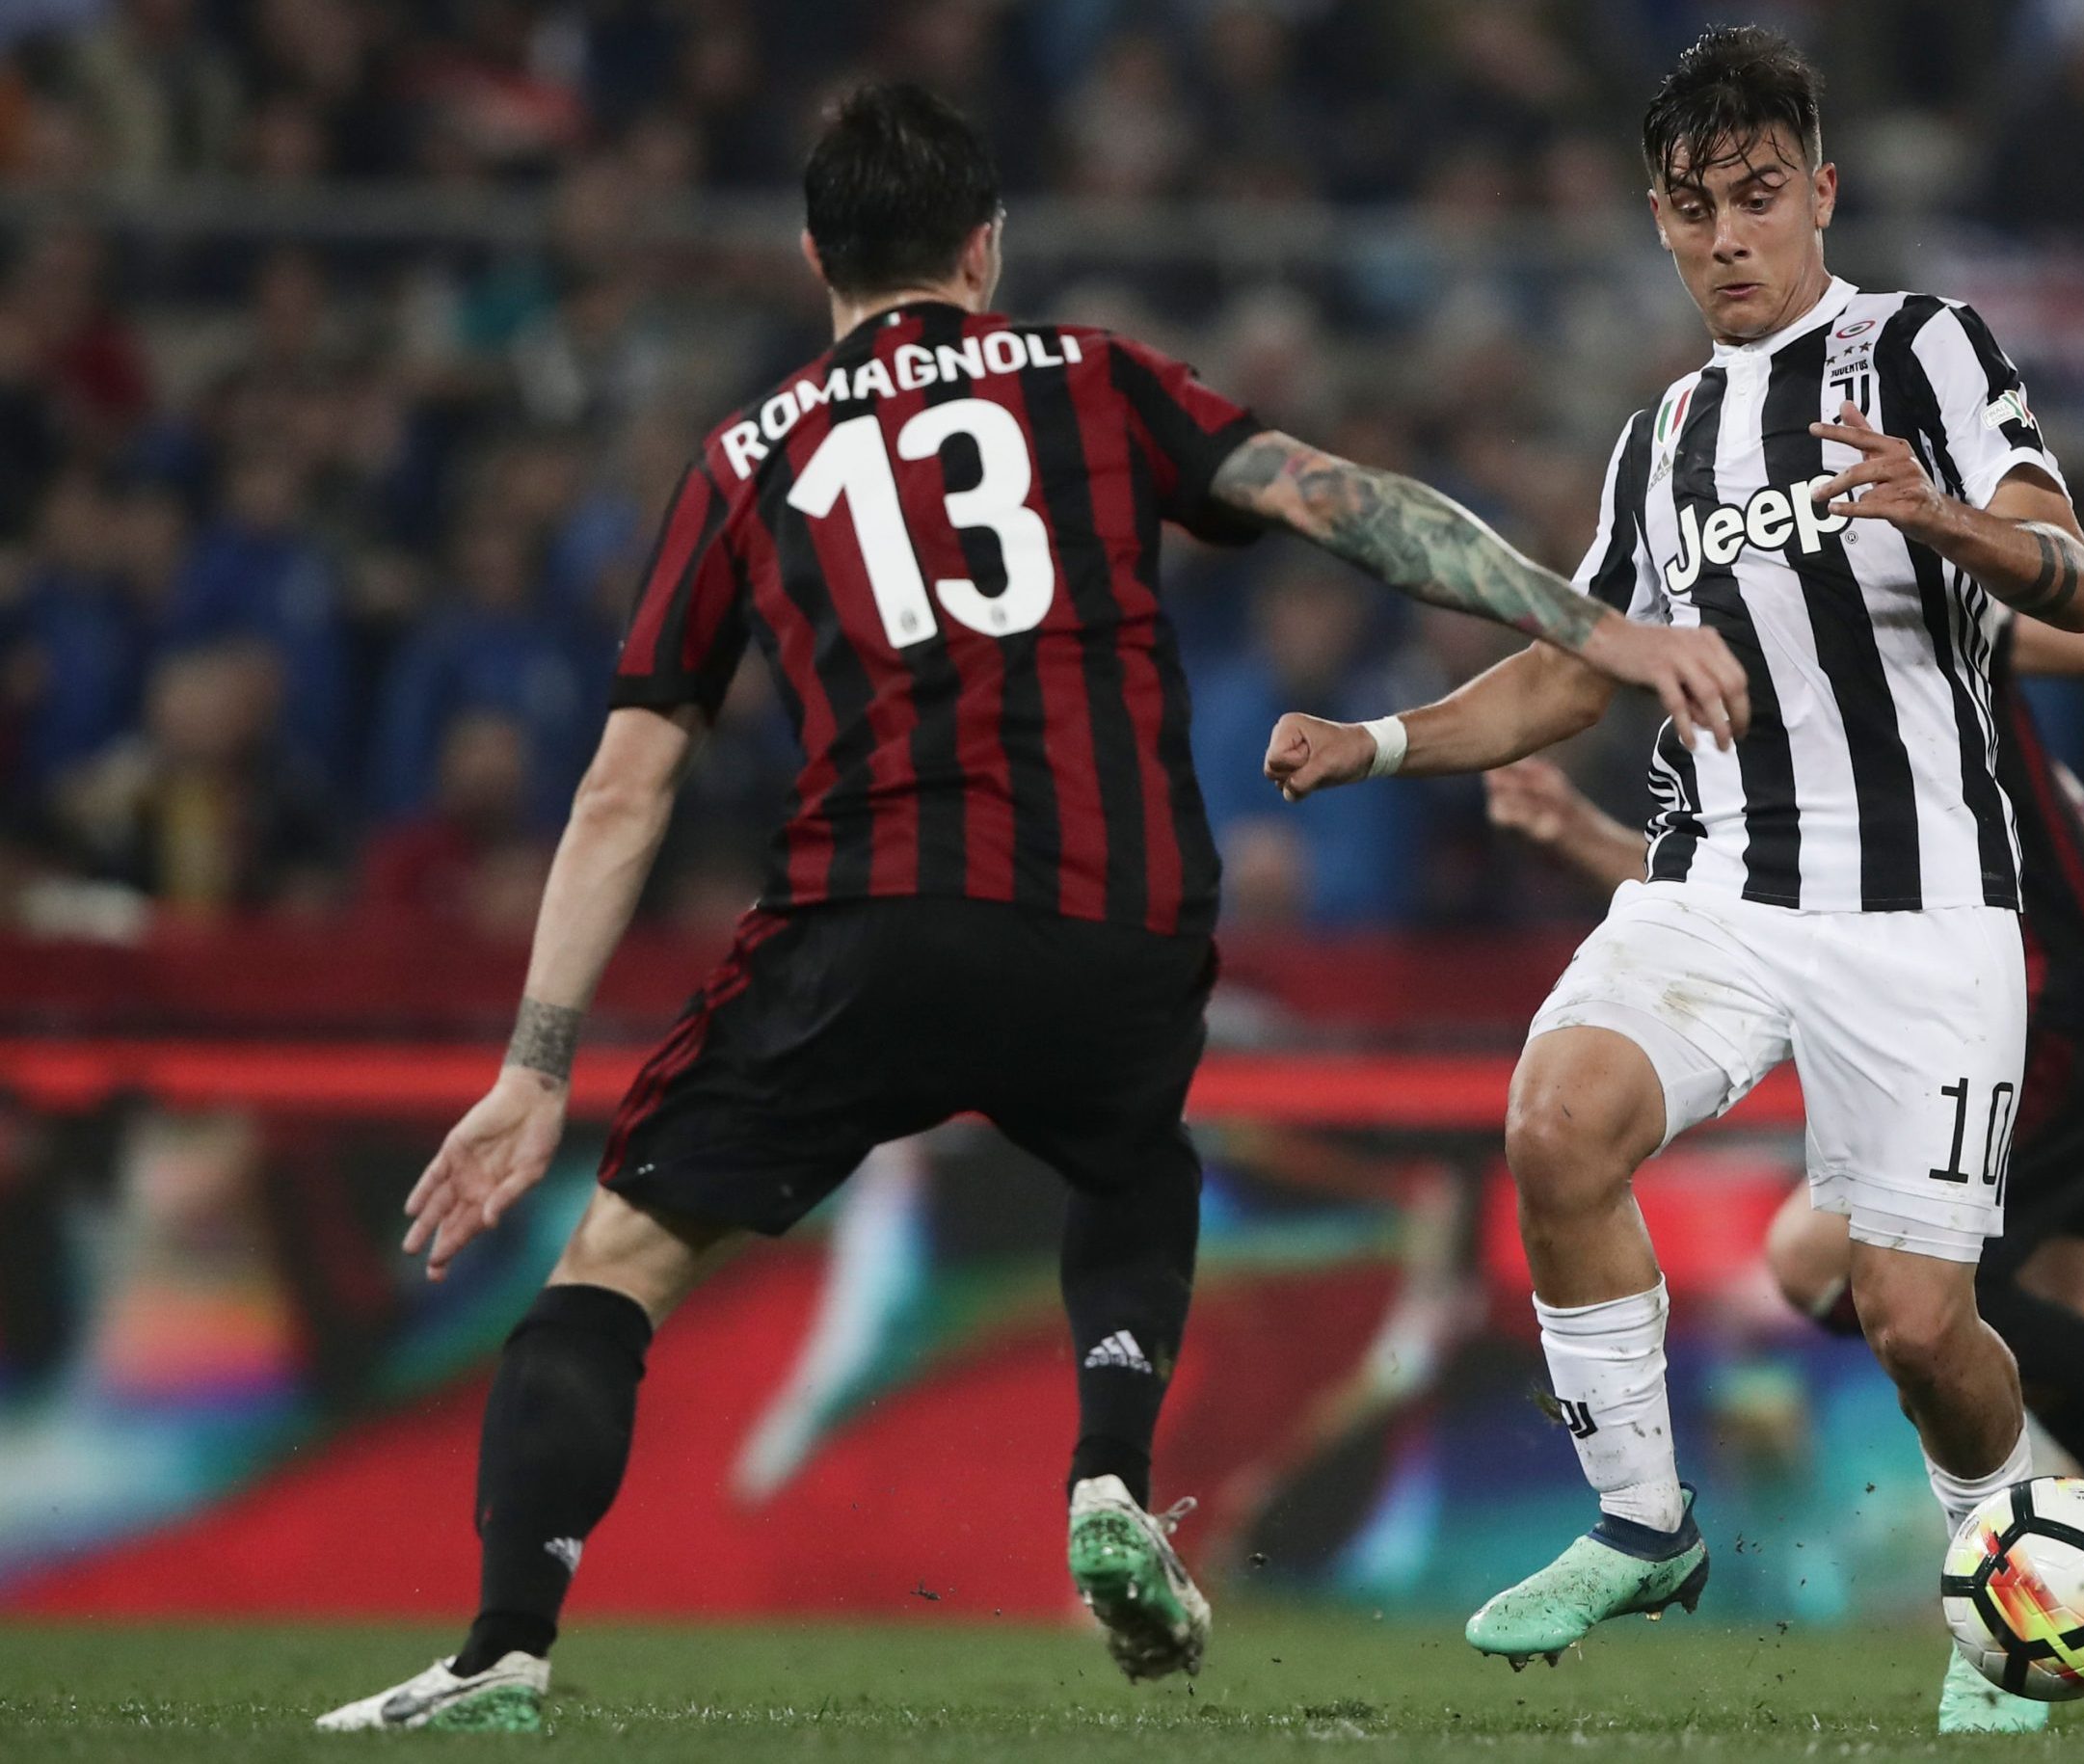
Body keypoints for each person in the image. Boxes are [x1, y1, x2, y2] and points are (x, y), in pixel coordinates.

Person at [319, 83, 1743, 1733]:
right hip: (1118, 906)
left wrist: (535, 1064)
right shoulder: (1093, 378)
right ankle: (1111, 1477)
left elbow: (626, 788)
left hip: (874, 914)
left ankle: (506, 1644)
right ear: (983, 251)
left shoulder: (742, 460)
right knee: (1132, 1158)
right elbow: (1348, 503)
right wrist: (1598, 628)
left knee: (615, 1264)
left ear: (813, 258)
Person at [1263, 27, 2084, 1729]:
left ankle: (2000, 1582)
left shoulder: (1926, 347)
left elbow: (2071, 574)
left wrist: (1948, 525)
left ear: (1823, 194)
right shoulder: (1659, 443)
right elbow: (1578, 666)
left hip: (1925, 905)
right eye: (1695, 207)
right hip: (1715, 880)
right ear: (1659, 221)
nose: (1730, 235)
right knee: (1554, 1121)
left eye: (1761, 197)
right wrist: (1384, 742)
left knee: (1918, 1322)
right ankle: (1644, 1521)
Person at [1474, 587, 2084, 1706]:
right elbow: (1785, 886)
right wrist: (1594, 841)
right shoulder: (1817, 651)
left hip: (2071, 1007)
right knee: (2042, 1367)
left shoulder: (1903, 591)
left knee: (1835, 1263)